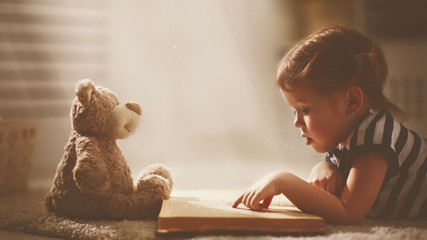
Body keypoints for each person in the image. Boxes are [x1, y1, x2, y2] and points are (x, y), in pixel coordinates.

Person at [232, 25, 427, 224]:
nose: (296, 122)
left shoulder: (375, 134)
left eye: (304, 110)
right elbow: (343, 185)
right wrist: (324, 166)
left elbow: (348, 213)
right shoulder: (345, 138)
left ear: (351, 101)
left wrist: (284, 181)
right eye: (294, 111)